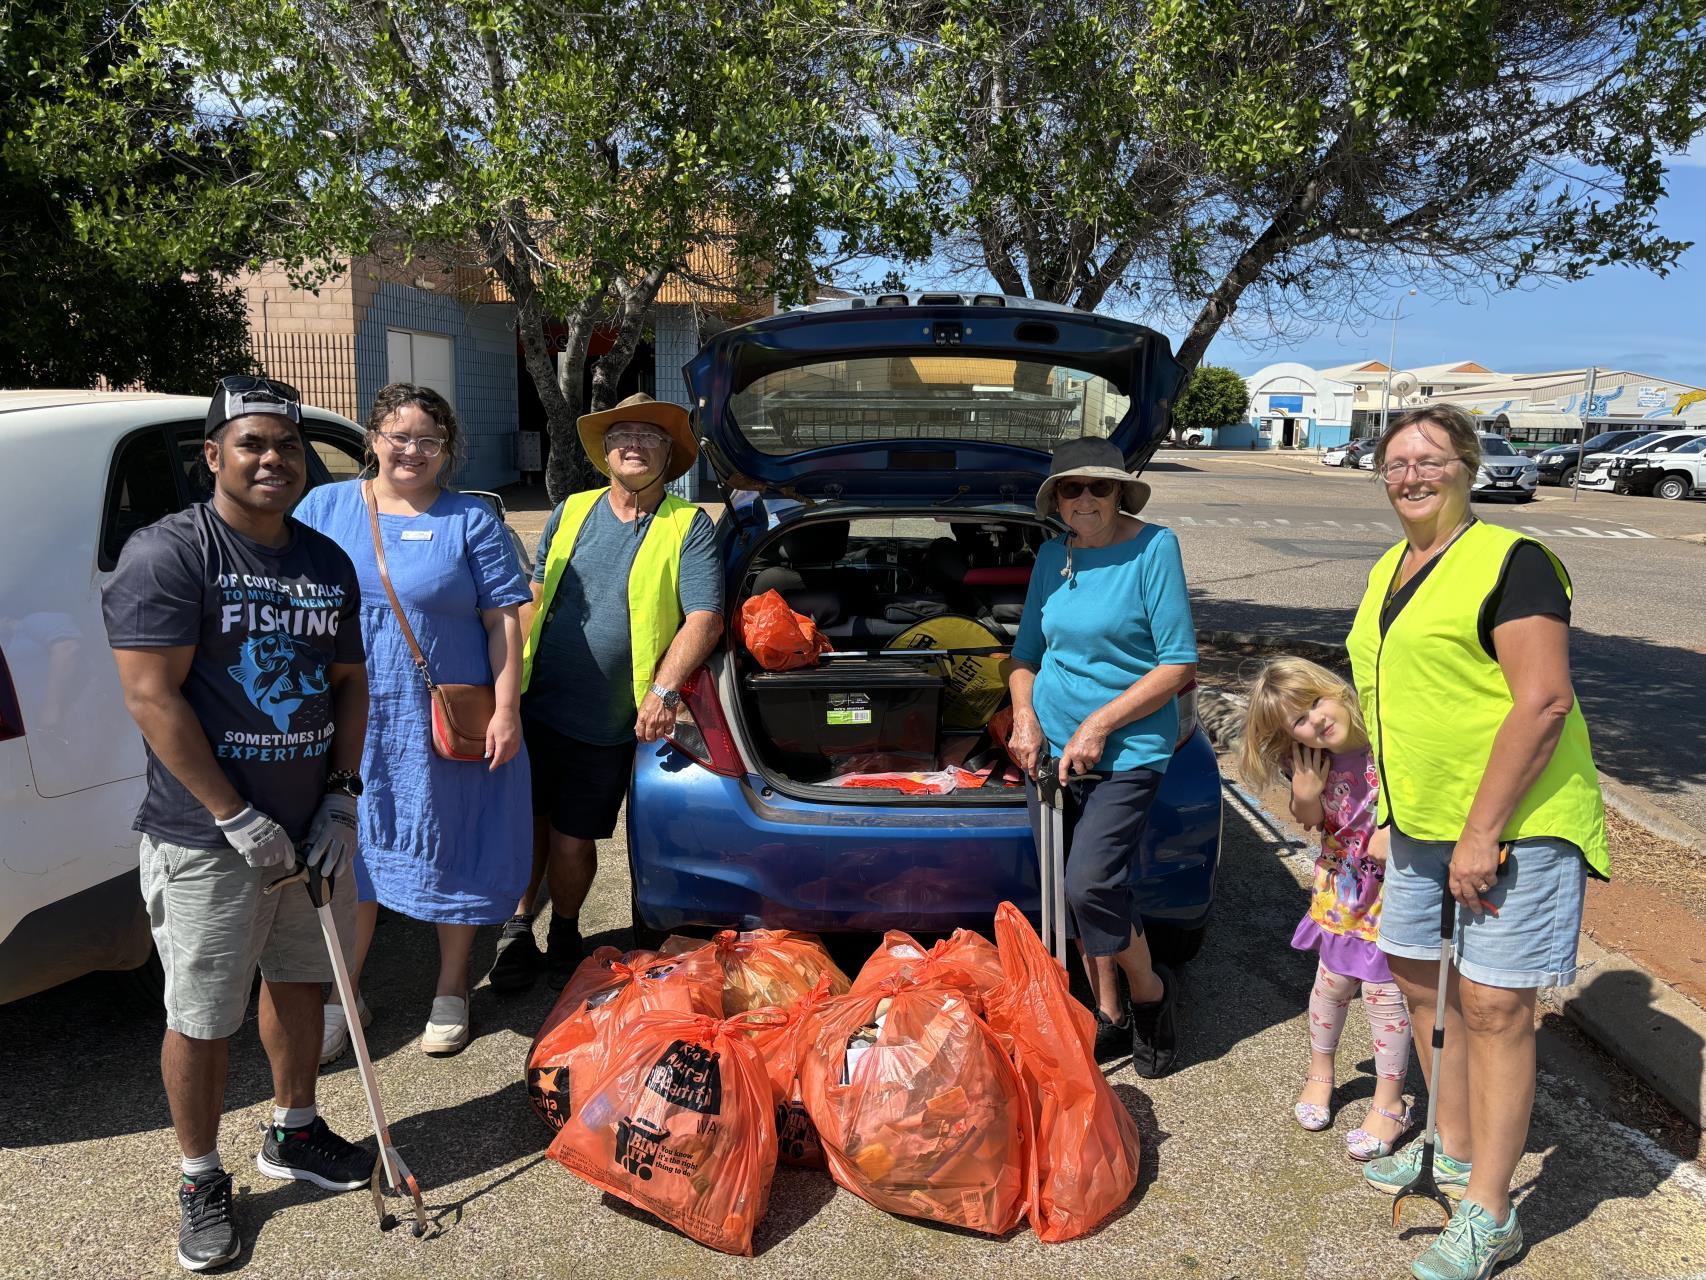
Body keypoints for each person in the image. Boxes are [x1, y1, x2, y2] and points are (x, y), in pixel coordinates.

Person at [103, 375, 375, 1273]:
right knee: (204, 1014)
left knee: (300, 983)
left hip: (309, 829)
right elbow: (150, 696)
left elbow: (349, 685)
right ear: (212, 455)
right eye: (252, 444)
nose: (273, 460)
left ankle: (293, 1131)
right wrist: (234, 813)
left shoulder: (323, 561)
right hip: (206, 836)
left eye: (288, 447)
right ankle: (200, 1175)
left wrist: (341, 791)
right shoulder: (170, 554)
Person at [1347, 405, 1609, 1280]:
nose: (1410, 475)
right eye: (1395, 462)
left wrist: (1481, 832)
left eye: (1428, 458)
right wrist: (1387, 811)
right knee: (1421, 984)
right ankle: (1450, 1149)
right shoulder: (1392, 564)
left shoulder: (1515, 562)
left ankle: (1490, 1211)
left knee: (1495, 1010)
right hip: (1420, 821)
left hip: (1512, 826)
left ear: (1468, 465)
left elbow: (1542, 703)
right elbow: (1395, 697)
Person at [294, 383, 532, 1060]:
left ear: (446, 449)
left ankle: (452, 987)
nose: (412, 451)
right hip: (348, 716)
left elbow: (502, 622)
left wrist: (507, 708)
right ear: (372, 438)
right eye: (398, 436)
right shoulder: (323, 507)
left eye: (428, 439)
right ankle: (345, 996)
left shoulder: (470, 520)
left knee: (452, 843)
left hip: (440, 719)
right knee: (349, 853)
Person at [488, 393, 723, 991]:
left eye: (649, 436)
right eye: (622, 435)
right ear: (605, 452)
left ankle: (564, 927)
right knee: (524, 825)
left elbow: (704, 618)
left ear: (669, 454)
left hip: (609, 718)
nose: (633, 445)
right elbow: (536, 590)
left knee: (571, 839)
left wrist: (664, 692)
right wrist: (502, 678)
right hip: (536, 702)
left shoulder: (687, 524)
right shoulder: (572, 509)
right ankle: (516, 933)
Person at [1006, 436, 1198, 1078]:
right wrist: (1026, 717)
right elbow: (1025, 656)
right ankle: (1110, 1013)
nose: (1085, 499)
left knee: (1091, 882)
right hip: (1050, 751)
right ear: (1056, 499)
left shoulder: (1153, 548)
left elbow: (1177, 665)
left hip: (1128, 746)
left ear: (1120, 492)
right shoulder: (1051, 557)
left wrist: (1099, 723)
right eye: (1071, 488)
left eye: (1100, 487)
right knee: (1066, 895)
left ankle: (1151, 994)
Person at [1238, 657, 1413, 1162]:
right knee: (1331, 986)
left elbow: (1426, 791)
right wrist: (1305, 794)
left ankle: (1389, 1101)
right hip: (1342, 892)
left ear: (1335, 688)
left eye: (1315, 703)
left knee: (1385, 999)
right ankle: (1320, 1074)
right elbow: (1312, 821)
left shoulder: (1388, 738)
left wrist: (1392, 826)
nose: (1315, 721)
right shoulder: (1311, 761)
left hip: (1394, 895)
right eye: (1298, 720)